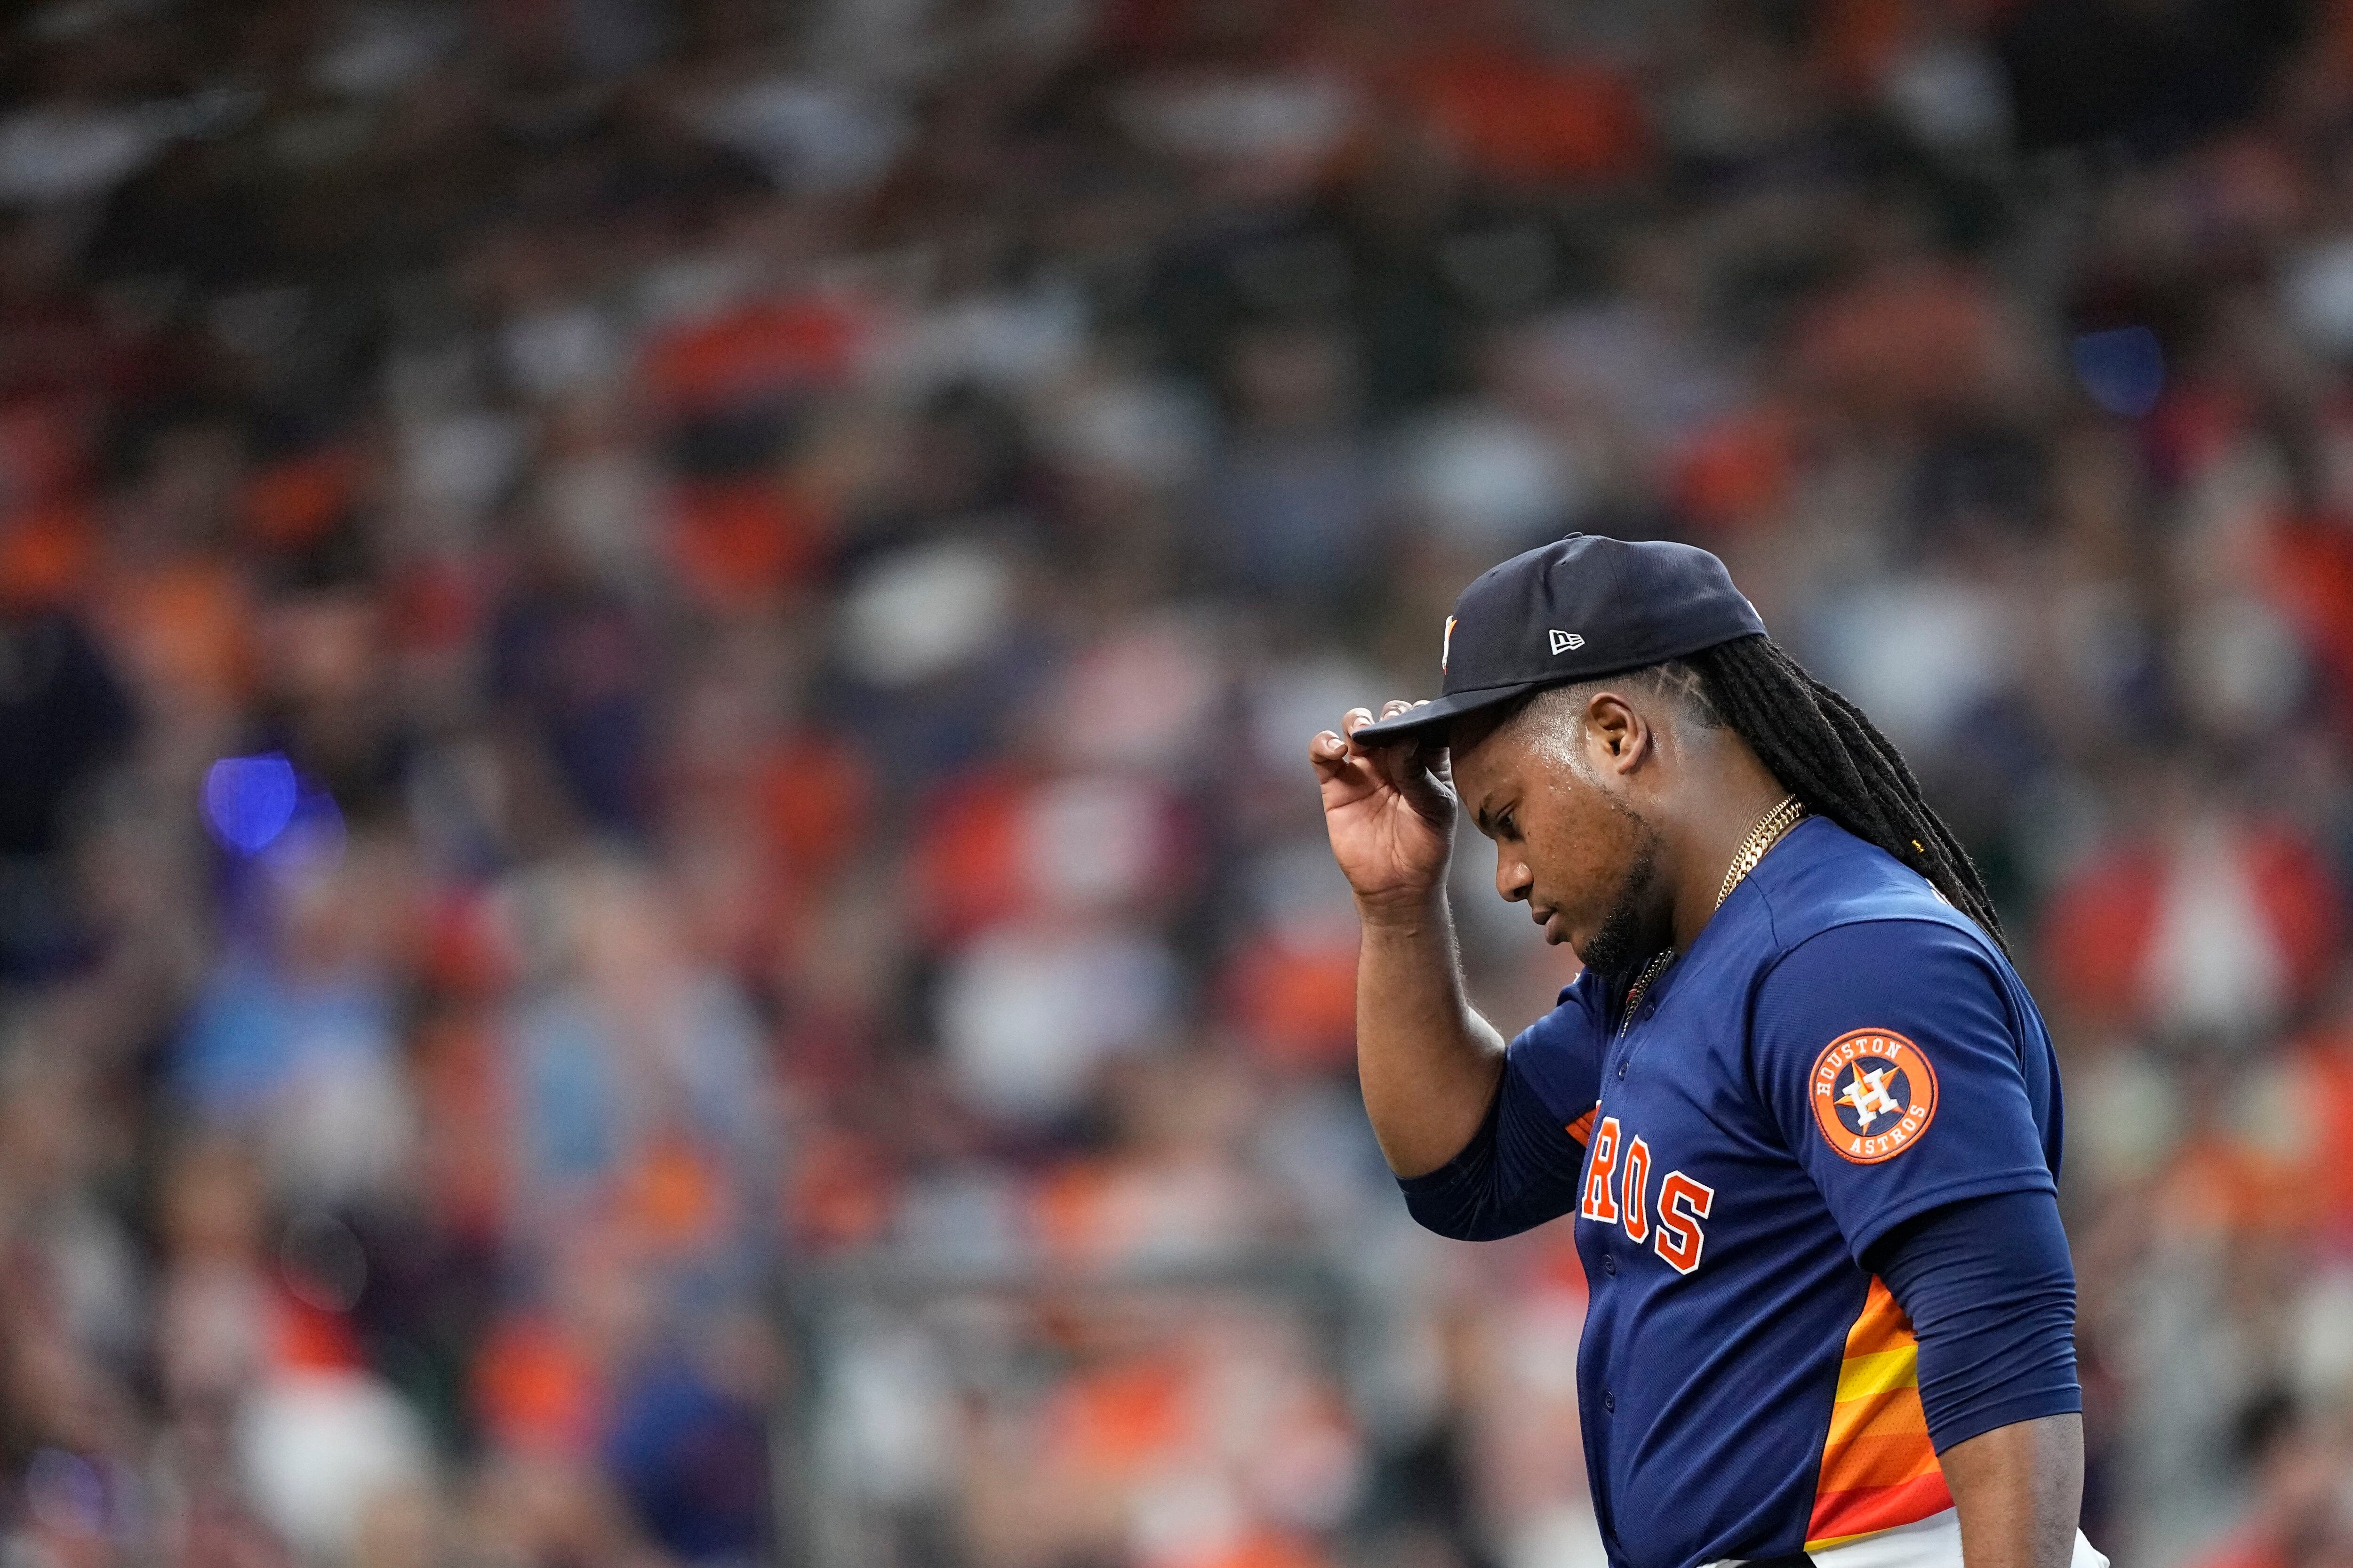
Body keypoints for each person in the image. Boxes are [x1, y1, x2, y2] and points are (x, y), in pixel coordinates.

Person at [1309, 535, 2105, 1568]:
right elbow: (1467, 1172)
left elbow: (1998, 1324)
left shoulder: (1848, 959)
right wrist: (1395, 905)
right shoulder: (1671, 968)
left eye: (1507, 820)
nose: (1504, 874)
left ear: (1613, 733)